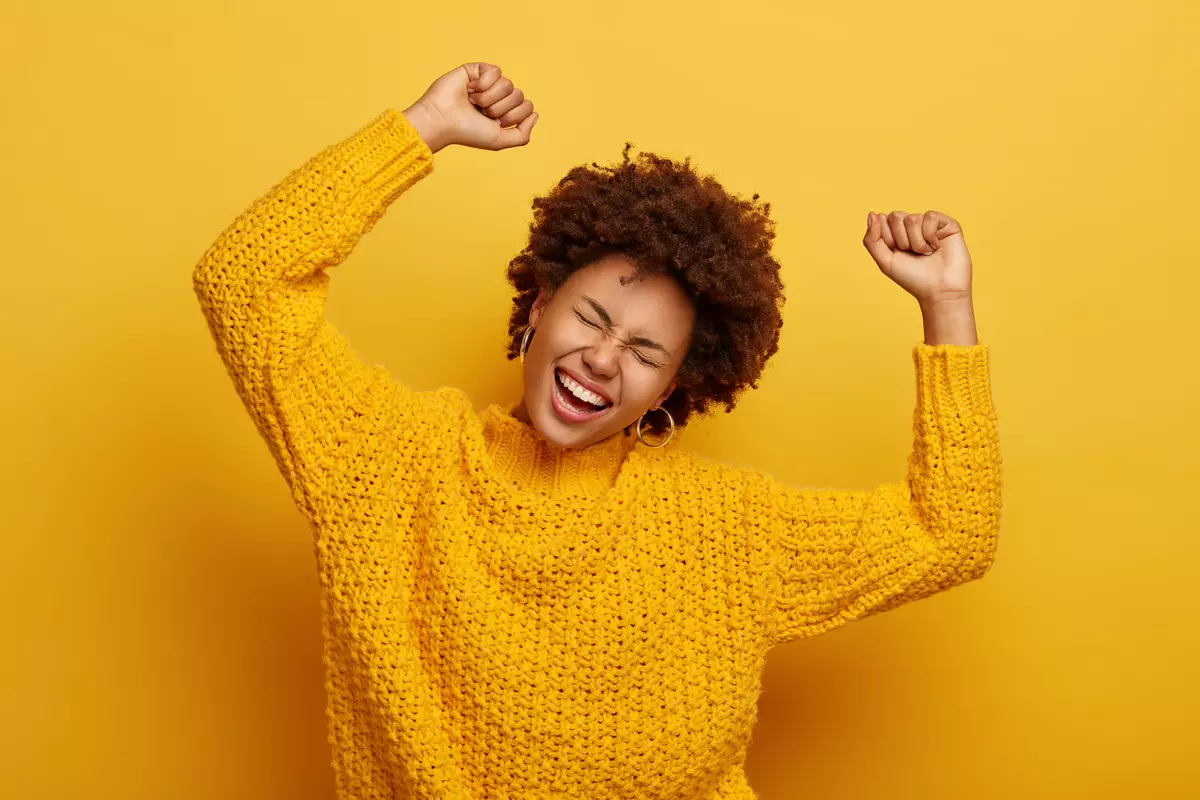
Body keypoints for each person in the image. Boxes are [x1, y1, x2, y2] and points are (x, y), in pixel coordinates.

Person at [193, 61, 1001, 800]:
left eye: (646, 351)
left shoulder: (727, 529)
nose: (604, 360)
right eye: (590, 318)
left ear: (671, 388)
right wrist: (422, 128)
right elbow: (242, 282)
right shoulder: (387, 459)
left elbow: (951, 531)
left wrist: (947, 305)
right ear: (540, 310)